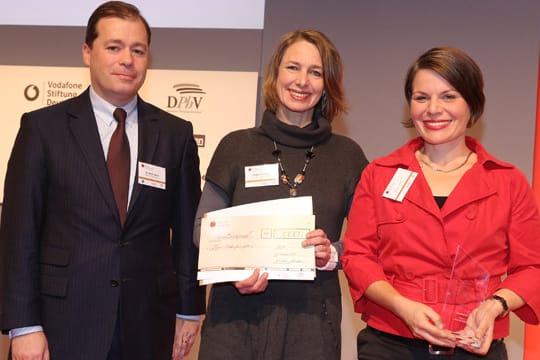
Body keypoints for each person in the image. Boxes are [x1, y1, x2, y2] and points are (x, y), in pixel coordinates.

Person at [0, 1, 205, 359]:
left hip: (149, 325)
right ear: (87, 52)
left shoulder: (175, 134)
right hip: (61, 324)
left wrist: (189, 310)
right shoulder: (42, 129)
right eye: (114, 47)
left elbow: (188, 233)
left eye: (138, 50)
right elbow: (18, 235)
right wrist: (24, 326)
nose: (127, 59)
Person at [342, 46, 540, 359]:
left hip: (475, 347)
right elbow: (357, 256)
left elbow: (531, 267)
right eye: (422, 97)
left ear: (472, 104)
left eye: (449, 96)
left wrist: (495, 305)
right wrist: (402, 307)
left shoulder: (508, 181)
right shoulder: (379, 175)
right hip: (390, 345)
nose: (433, 108)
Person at [193, 29, 368, 359]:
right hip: (234, 319)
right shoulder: (236, 146)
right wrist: (234, 269)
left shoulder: (347, 156)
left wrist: (332, 252)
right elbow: (203, 229)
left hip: (312, 325)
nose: (302, 81)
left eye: (315, 72)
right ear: (275, 74)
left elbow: (369, 241)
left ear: (327, 83)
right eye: (293, 67)